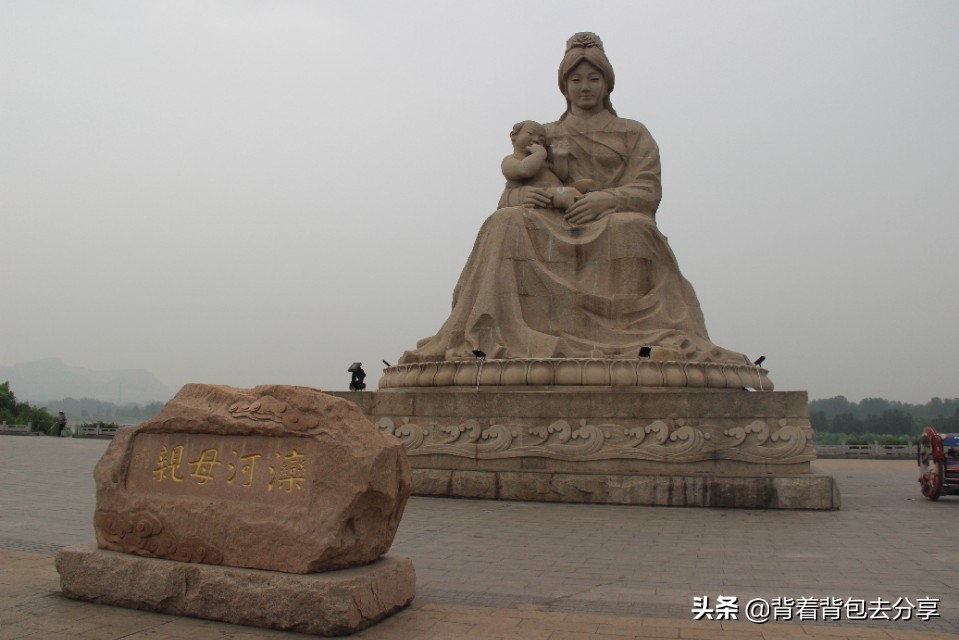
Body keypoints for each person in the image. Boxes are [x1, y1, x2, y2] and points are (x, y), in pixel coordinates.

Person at [399, 33, 749, 366]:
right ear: (564, 86)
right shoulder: (545, 134)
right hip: (555, 217)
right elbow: (513, 183)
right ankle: (494, 335)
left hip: (612, 217)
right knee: (505, 221)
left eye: (593, 78)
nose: (585, 87)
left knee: (632, 228)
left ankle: (629, 337)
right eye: (576, 79)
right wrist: (523, 194)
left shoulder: (634, 132)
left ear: (607, 84)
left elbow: (647, 191)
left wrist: (605, 201)